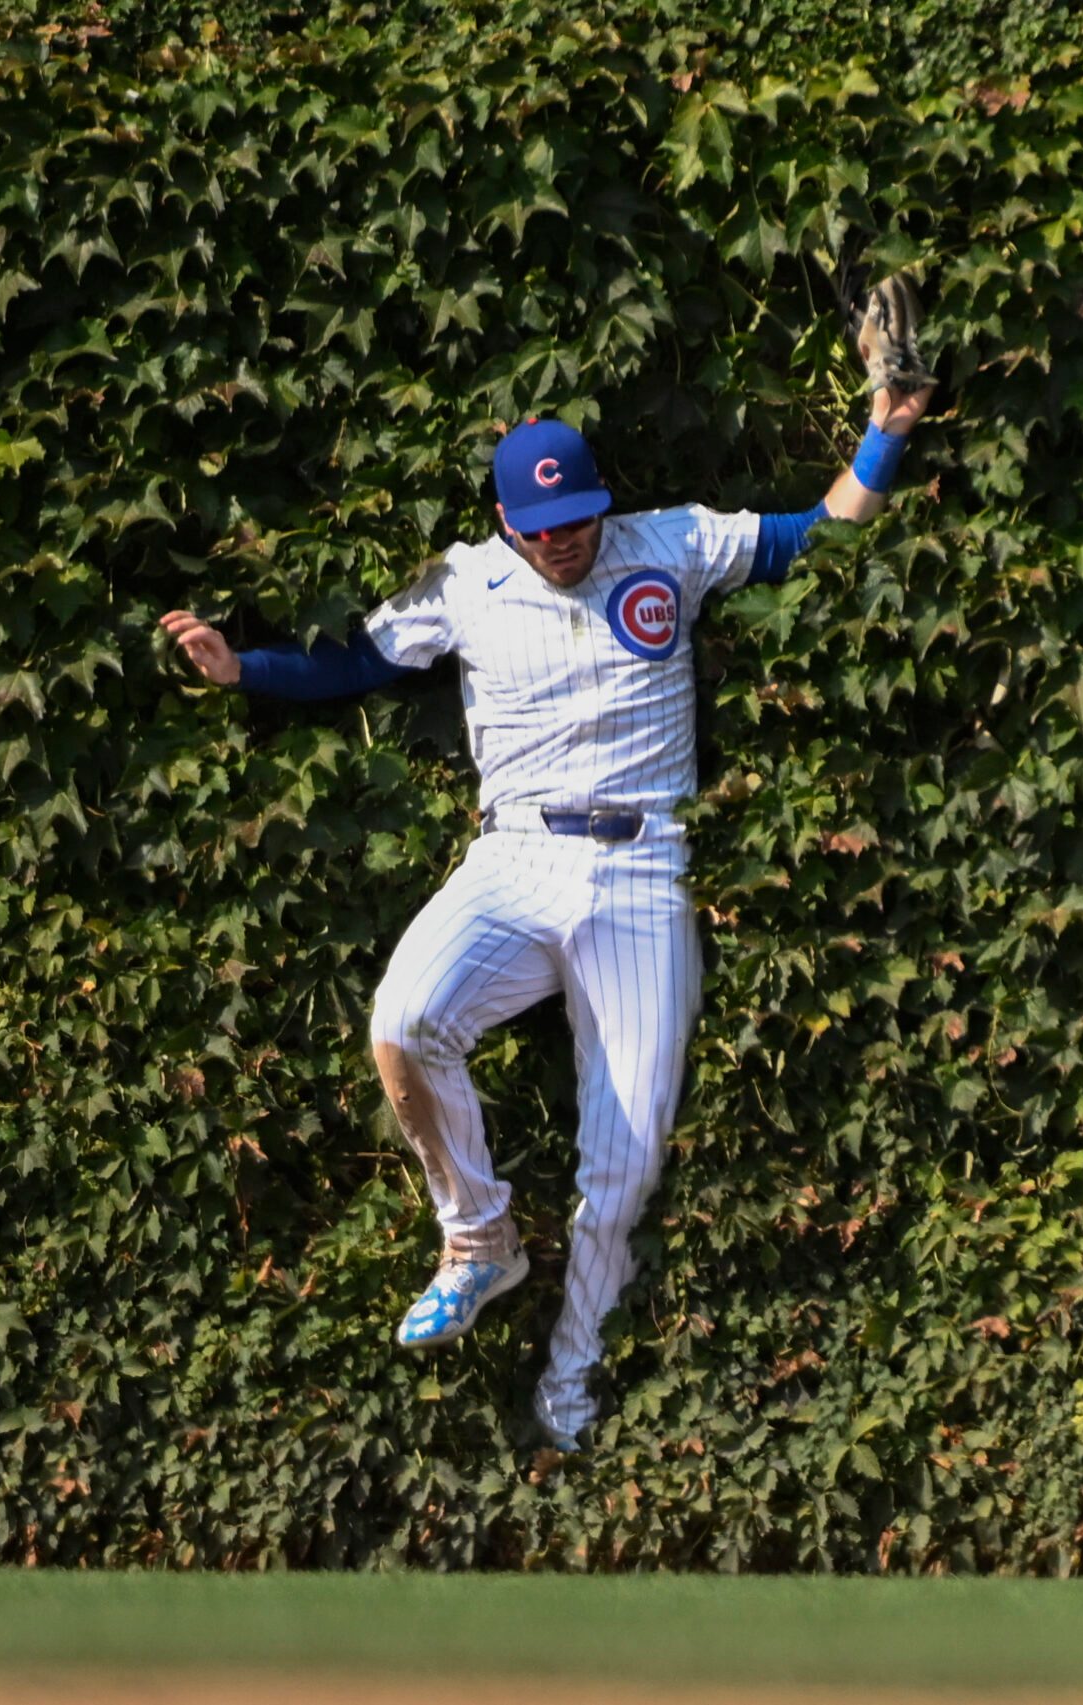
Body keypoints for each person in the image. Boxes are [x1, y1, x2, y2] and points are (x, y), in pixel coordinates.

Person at [159, 375, 933, 1450]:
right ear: (503, 522)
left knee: (621, 1168)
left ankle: (570, 1399)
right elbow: (356, 664)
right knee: (404, 1019)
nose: (565, 541)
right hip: (513, 855)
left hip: (639, 872)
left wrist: (883, 437)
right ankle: (479, 1239)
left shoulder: (667, 543)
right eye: (542, 527)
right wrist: (242, 667)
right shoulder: (464, 583)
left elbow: (815, 537)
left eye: (578, 520)